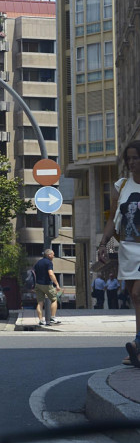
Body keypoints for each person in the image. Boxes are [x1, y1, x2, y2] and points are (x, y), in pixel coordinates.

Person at [98, 141, 140, 367]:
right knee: (135, 298)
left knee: (137, 293)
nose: (131, 163)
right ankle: (138, 345)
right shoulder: (122, 186)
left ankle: (138, 345)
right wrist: (103, 243)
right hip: (128, 249)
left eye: (136, 158)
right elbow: (112, 219)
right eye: (129, 159)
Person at [34, 249, 62, 326]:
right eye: (53, 254)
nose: (53, 256)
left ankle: (40, 320)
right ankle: (52, 317)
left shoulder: (38, 263)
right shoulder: (49, 263)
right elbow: (51, 274)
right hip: (47, 284)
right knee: (54, 299)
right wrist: (57, 284)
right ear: (49, 255)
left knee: (40, 302)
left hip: (38, 284)